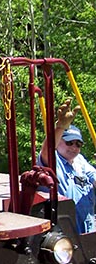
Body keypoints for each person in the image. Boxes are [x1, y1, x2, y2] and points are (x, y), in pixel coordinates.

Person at [39, 98, 96, 234]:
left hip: (87, 230)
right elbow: (47, 151)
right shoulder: (53, 160)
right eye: (69, 142)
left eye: (78, 144)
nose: (74, 147)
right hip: (62, 232)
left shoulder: (80, 161)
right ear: (59, 141)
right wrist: (60, 127)